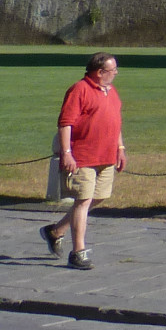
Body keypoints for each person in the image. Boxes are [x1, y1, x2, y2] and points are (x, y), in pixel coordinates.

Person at [42, 52, 126, 271]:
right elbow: (65, 123)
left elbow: (115, 121)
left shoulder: (112, 92)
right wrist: (67, 152)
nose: (116, 73)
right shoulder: (79, 90)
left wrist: (120, 148)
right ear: (99, 72)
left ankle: (56, 231)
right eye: (113, 70)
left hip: (106, 156)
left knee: (98, 197)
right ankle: (78, 252)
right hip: (84, 156)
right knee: (83, 200)